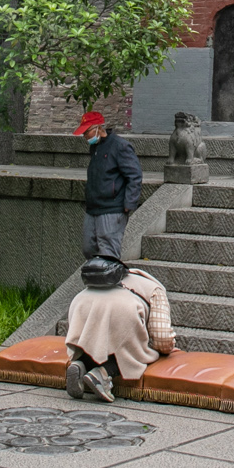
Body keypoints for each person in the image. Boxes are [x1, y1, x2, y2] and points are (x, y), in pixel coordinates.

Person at [64, 256, 178, 401]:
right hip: (123, 309)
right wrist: (164, 350)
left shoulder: (105, 277)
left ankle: (80, 364)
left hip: (80, 303)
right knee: (135, 352)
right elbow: (162, 337)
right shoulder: (156, 289)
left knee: (94, 341)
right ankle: (102, 374)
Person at [78, 110, 143, 257]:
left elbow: (135, 175)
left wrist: (128, 204)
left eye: (86, 132)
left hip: (113, 208)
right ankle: (97, 278)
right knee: (89, 249)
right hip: (93, 207)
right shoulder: (94, 147)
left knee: (108, 252)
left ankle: (110, 279)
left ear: (98, 128)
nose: (84, 136)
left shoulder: (120, 146)